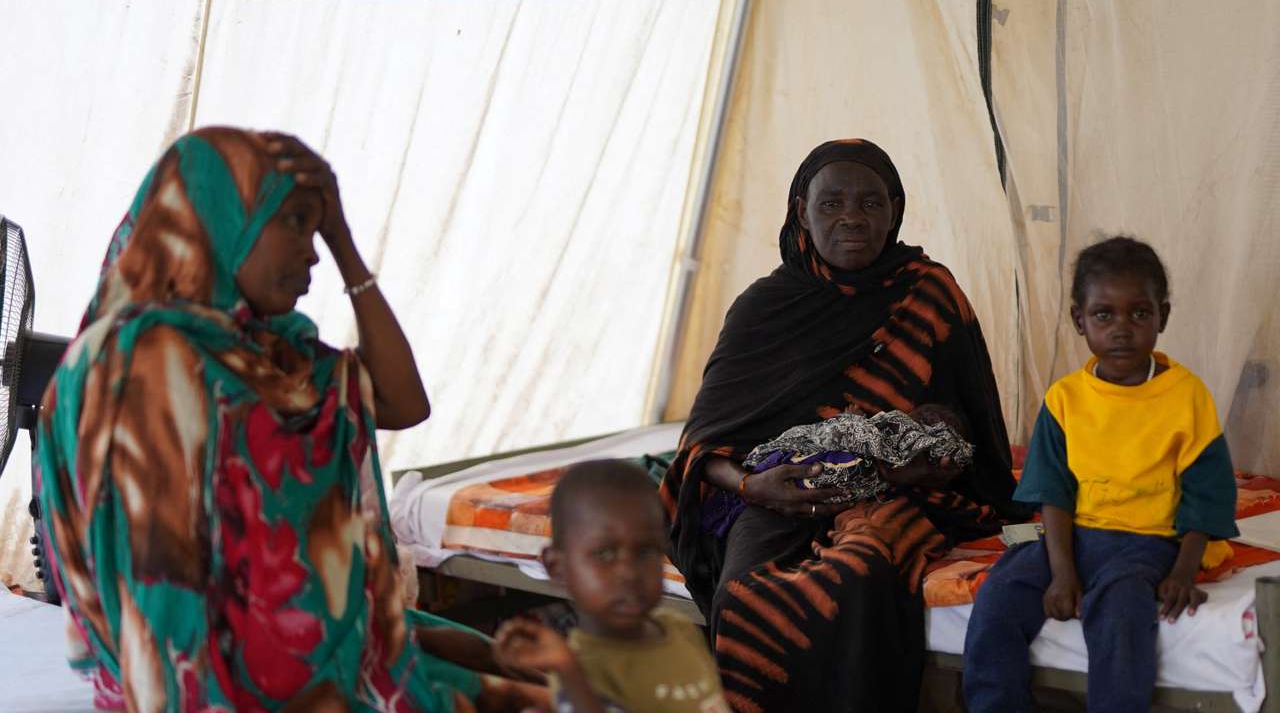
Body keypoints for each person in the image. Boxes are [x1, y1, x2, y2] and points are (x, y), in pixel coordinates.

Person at [35, 127, 543, 711]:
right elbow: (166, 606)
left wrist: (346, 241)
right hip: (204, 683)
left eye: (317, 228)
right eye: (294, 223)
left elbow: (407, 404)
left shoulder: (272, 354)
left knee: (521, 672)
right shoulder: (139, 362)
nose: (312, 252)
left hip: (299, 646)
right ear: (220, 221)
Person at [658, 139, 1024, 712]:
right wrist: (756, 487)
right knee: (744, 594)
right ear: (801, 209)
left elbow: (973, 431)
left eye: (870, 203)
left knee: (861, 575)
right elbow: (703, 444)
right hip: (775, 494)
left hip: (896, 495)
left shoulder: (930, 294)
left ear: (895, 209)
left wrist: (917, 466)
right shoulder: (764, 307)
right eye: (831, 204)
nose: (852, 217)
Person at [962, 236, 1239, 712]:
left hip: (1148, 541)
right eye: (1104, 315)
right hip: (1070, 535)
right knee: (999, 598)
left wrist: (1182, 571)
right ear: (1079, 320)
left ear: (1163, 317)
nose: (1122, 330)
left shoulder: (1187, 397)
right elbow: (1053, 492)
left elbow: (1206, 494)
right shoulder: (1065, 399)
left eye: (1140, 313)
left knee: (1122, 610)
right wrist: (1062, 572)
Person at [493, 460, 729, 713]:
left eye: (646, 550)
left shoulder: (678, 628)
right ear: (558, 566)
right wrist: (569, 671)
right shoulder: (578, 673)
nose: (628, 573)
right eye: (604, 554)